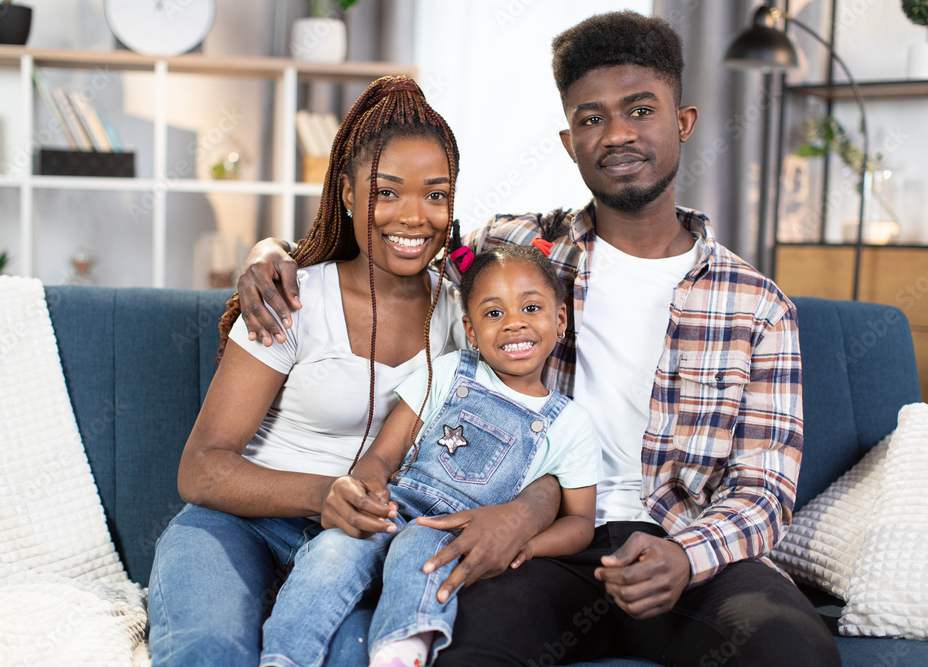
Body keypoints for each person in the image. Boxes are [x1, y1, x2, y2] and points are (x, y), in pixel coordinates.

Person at [233, 11, 842, 667]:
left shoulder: (756, 304)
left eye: (640, 110)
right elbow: (399, 248)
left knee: (797, 653)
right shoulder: (519, 250)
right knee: (461, 653)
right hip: (541, 542)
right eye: (591, 118)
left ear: (683, 121)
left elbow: (764, 490)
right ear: (568, 139)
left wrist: (685, 554)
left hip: (681, 546)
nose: (617, 135)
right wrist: (275, 252)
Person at [147, 76, 562, 667]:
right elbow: (201, 468)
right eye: (387, 193)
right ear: (346, 193)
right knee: (212, 648)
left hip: (357, 546)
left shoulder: (470, 317)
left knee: (353, 654)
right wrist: (322, 495)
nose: (414, 217)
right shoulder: (289, 296)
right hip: (238, 523)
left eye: (435, 195)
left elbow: (542, 427)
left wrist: (529, 508)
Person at [261, 244, 601, 667]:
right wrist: (365, 489)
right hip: (395, 507)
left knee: (420, 545)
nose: (514, 323)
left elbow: (580, 523)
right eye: (493, 314)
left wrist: (526, 547)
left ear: (560, 319)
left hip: (460, 532)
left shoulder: (571, 423)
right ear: (471, 331)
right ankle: (284, 657)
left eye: (531, 308)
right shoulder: (448, 370)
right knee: (332, 548)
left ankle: (402, 651)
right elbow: (384, 453)